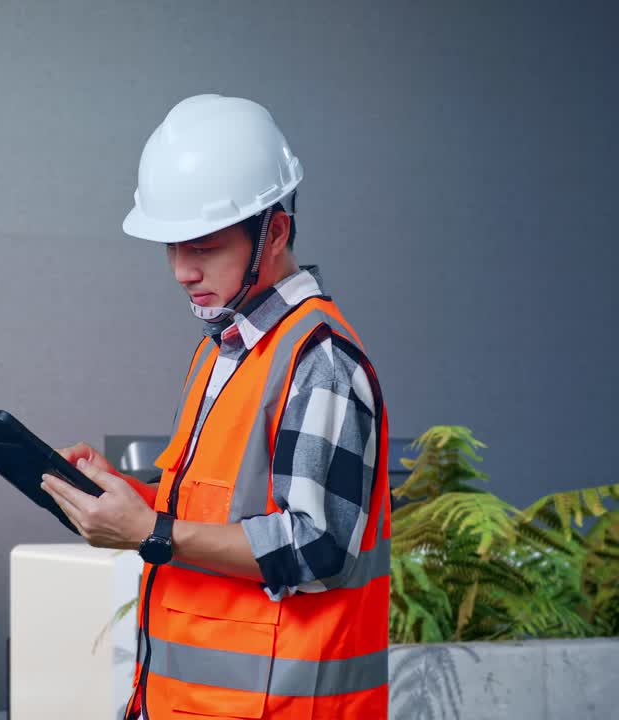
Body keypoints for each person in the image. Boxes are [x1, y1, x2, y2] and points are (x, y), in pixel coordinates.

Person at [40, 94, 391, 719]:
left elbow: (318, 550)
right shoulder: (225, 350)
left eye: (202, 247)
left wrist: (152, 532)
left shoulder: (321, 362)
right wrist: (123, 497)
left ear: (275, 232)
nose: (181, 271)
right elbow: (214, 514)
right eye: (171, 248)